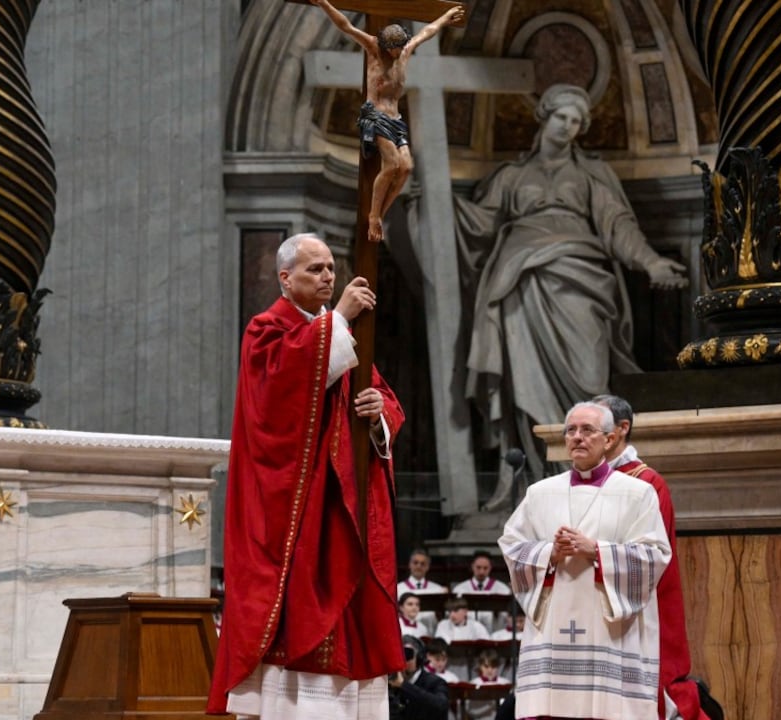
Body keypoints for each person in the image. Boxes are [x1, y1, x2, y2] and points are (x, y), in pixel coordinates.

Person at [209, 233, 406, 717]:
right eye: (314, 270)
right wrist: (339, 317)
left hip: (341, 504)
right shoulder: (266, 330)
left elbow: (384, 399)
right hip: (293, 509)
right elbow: (279, 397)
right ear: (284, 278)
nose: (326, 277)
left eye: (330, 269)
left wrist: (378, 412)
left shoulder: (339, 332)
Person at [454, 83, 689, 489]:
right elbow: (479, 224)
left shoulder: (591, 173)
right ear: (544, 116)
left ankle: (591, 473)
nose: (568, 127)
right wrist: (433, 198)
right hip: (520, 280)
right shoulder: (512, 176)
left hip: (580, 277)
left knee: (589, 377)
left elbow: (618, 226)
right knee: (526, 383)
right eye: (561, 117)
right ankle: (536, 479)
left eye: (576, 121)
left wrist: (650, 262)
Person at [499, 401, 671, 719]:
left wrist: (597, 551)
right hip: (554, 628)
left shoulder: (637, 493)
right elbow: (511, 546)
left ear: (608, 439)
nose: (577, 437)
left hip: (612, 633)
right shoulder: (540, 493)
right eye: (571, 430)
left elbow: (655, 556)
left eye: (588, 430)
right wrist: (548, 552)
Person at [310, 0, 466, 243]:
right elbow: (346, 26)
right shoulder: (373, 48)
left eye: (400, 48)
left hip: (395, 118)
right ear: (385, 45)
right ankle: (373, 215)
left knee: (406, 168)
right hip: (375, 116)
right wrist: (323, 4)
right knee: (392, 164)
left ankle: (382, 212)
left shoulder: (404, 51)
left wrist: (445, 18)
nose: (397, 53)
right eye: (393, 49)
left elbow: (427, 31)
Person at [593, 393, 703, 720]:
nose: (584, 436)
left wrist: (595, 553)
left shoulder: (646, 483)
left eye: (595, 426)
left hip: (637, 604)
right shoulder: (585, 481)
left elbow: (652, 557)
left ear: (622, 429)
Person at [388, 635, 450, 720]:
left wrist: (404, 685)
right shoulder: (391, 684)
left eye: (408, 655)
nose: (403, 662)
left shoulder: (435, 682)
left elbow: (440, 705)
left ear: (419, 658)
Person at [451, 549, 512, 631]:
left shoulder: (502, 589)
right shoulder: (460, 589)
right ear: (472, 566)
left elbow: (508, 616)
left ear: (490, 567)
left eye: (485, 568)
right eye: (478, 567)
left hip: (494, 634)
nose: (481, 572)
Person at [397, 547, 447, 632]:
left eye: (423, 564)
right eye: (415, 563)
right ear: (409, 564)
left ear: (428, 567)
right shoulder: (398, 589)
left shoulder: (438, 590)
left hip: (431, 633)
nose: (419, 566)